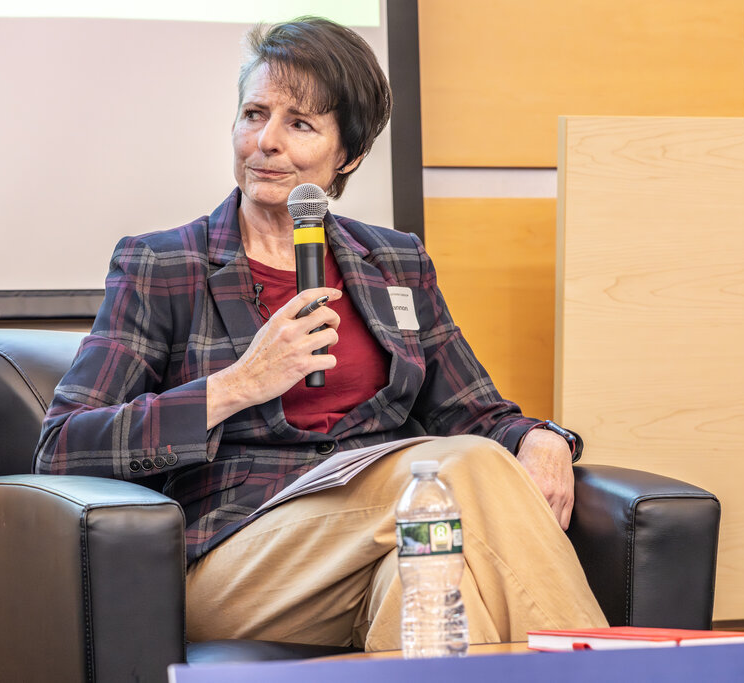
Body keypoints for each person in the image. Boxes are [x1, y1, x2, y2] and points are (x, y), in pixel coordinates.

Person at [34, 17, 606, 651]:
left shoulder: (395, 262)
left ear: (349, 155)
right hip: (238, 557)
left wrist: (543, 438)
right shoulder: (164, 264)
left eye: (299, 124)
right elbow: (63, 447)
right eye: (254, 114)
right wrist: (237, 384)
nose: (266, 141)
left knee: (432, 585)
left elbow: (474, 414)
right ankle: (610, 664)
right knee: (462, 472)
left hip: (370, 552)